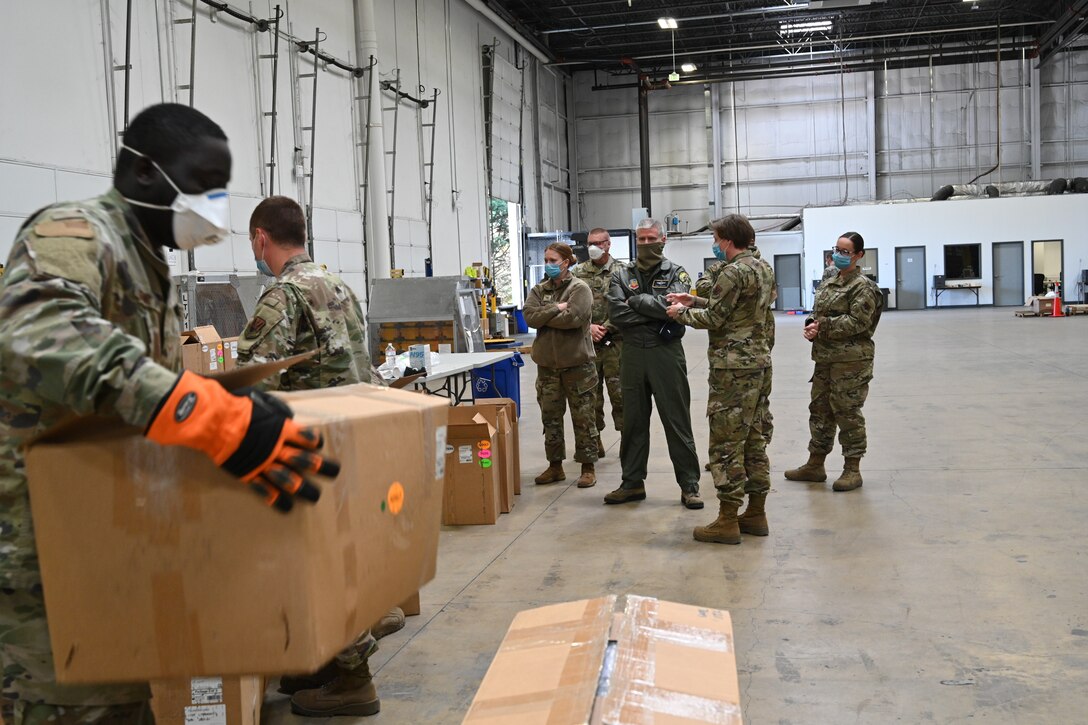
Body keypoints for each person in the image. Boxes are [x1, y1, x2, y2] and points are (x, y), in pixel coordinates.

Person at [0, 104, 336, 724]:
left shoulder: (145, 261)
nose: (211, 202)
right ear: (145, 173)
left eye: (219, 188)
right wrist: (211, 418)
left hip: (104, 546)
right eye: (202, 182)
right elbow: (43, 333)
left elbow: (124, 397)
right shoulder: (74, 234)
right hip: (41, 565)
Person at [237, 196, 392, 717]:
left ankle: (354, 678)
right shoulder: (339, 285)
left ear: (262, 238)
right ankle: (323, 662)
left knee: (312, 563)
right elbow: (364, 366)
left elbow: (254, 383)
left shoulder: (282, 296)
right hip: (351, 441)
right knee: (338, 553)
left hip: (306, 452)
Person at [667, 214, 773, 543]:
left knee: (726, 442)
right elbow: (737, 307)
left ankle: (727, 519)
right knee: (754, 439)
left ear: (727, 240)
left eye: (716, 238)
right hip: (759, 363)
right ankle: (755, 513)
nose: (714, 243)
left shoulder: (731, 271)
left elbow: (715, 317)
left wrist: (680, 313)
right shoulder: (762, 268)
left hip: (732, 369)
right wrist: (693, 299)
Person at [604, 219, 702, 508]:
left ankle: (689, 485)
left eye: (651, 239)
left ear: (663, 240)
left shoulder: (677, 274)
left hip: (666, 352)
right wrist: (656, 308)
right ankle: (632, 482)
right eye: (641, 240)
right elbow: (617, 314)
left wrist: (637, 301)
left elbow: (674, 310)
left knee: (677, 419)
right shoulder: (621, 275)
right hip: (632, 353)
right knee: (633, 421)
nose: (646, 244)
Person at [785, 231, 882, 492]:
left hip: (851, 361)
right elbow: (819, 314)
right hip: (825, 358)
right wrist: (811, 326)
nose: (838, 256)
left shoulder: (863, 286)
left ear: (859, 255)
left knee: (847, 411)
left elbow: (858, 322)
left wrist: (823, 326)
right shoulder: (830, 279)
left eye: (845, 252)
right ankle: (815, 464)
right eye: (836, 250)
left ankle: (852, 469)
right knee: (820, 410)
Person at [522, 242, 599, 488]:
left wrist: (544, 316)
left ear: (566, 262)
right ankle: (555, 466)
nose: (548, 265)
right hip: (547, 367)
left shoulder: (580, 289)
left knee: (584, 418)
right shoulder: (539, 289)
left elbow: (573, 319)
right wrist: (555, 308)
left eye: (553, 260)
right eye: (546, 260)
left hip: (578, 366)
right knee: (551, 418)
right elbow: (529, 318)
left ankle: (588, 467)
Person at [572, 228, 624, 456]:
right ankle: (595, 441)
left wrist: (607, 327)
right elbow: (573, 305)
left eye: (598, 243)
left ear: (608, 244)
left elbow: (630, 304)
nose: (593, 247)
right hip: (587, 344)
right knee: (590, 397)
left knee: (621, 395)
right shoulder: (577, 272)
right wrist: (588, 327)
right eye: (589, 243)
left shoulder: (623, 271)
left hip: (616, 343)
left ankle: (627, 442)